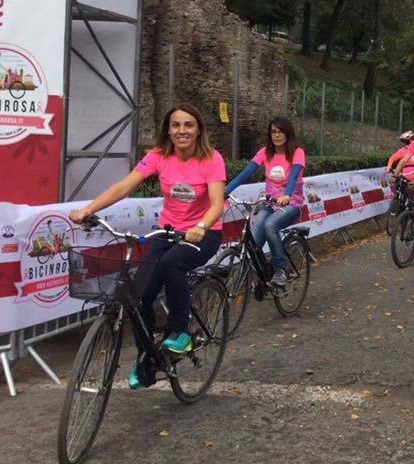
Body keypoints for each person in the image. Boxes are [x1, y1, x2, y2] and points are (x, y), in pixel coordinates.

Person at [69, 104, 225, 389]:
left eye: (188, 125)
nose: (182, 131)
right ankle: (147, 358)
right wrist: (88, 210)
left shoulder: (211, 159)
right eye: (176, 125)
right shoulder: (158, 156)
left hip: (203, 234)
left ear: (198, 129)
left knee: (172, 264)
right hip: (167, 232)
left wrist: (200, 227)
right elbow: (124, 187)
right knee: (138, 295)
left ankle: (181, 331)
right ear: (168, 129)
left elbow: (217, 205)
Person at [225, 116, 306, 286]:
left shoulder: (297, 153)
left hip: (291, 205)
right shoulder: (264, 153)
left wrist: (287, 195)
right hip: (270, 205)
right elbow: (246, 173)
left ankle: (281, 269)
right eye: (273, 132)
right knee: (253, 242)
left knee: (270, 226)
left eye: (281, 132)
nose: (277, 135)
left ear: (288, 134)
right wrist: (225, 191)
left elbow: (293, 176)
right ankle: (264, 274)